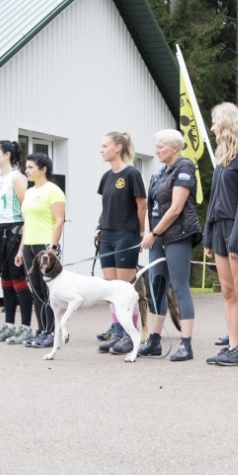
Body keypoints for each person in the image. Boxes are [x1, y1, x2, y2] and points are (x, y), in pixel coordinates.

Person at [136, 129, 201, 361]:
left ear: (175, 148)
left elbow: (176, 208)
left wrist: (154, 232)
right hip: (155, 237)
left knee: (180, 287)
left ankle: (186, 343)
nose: (156, 150)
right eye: (156, 146)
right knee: (156, 286)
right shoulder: (158, 174)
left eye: (160, 146)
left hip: (176, 235)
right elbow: (148, 206)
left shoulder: (184, 169)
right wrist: (147, 233)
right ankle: (154, 340)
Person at [203, 103, 238, 367]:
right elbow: (214, 198)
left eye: (214, 121)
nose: (212, 126)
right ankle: (232, 345)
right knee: (227, 291)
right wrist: (207, 235)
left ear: (225, 122)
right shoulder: (221, 156)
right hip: (218, 228)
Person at [95, 131, 148, 355]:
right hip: (106, 236)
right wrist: (99, 226)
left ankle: (129, 335)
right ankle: (117, 333)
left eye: (105, 145)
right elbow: (106, 207)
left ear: (118, 147)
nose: (101, 149)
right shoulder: (106, 177)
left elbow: (142, 206)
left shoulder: (132, 174)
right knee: (111, 289)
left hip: (126, 236)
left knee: (125, 291)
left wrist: (141, 233)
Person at [15, 152, 66, 348]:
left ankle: (52, 332)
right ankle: (42, 330)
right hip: (29, 246)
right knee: (36, 291)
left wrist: (52, 248)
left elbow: (59, 221)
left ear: (43, 169)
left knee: (48, 291)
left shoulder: (54, 191)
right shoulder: (29, 192)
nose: (26, 171)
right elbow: (27, 222)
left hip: (45, 245)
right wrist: (21, 250)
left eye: (30, 167)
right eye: (25, 167)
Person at [0, 140, 31, 342]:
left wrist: (22, 244)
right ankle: (8, 325)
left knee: (19, 279)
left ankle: (26, 327)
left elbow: (27, 210)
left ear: (6, 154)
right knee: (5, 279)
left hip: (15, 230)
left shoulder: (17, 177)